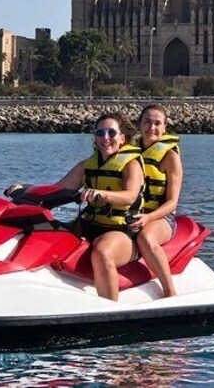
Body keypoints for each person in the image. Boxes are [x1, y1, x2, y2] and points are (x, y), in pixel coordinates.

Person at [31, 112, 144, 302]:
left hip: (122, 231)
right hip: (90, 225)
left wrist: (103, 194)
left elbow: (130, 196)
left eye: (111, 133)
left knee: (102, 251)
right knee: (41, 233)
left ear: (122, 138)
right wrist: (26, 189)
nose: (105, 138)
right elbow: (57, 189)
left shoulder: (131, 165)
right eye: (100, 133)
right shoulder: (87, 165)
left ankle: (110, 309)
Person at [129, 104, 183, 297]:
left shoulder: (170, 157)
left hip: (162, 218)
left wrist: (148, 218)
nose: (152, 127)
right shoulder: (130, 152)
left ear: (164, 127)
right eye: (147, 122)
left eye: (157, 123)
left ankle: (169, 291)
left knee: (145, 238)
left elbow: (172, 203)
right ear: (139, 125)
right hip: (133, 215)